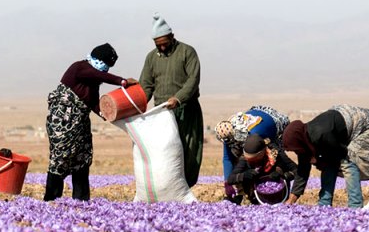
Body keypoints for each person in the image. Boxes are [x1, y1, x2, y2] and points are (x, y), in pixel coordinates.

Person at [44, 43, 138, 201]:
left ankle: (81, 201)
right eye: (105, 64)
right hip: (63, 122)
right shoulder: (80, 68)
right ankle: (51, 201)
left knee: (82, 160)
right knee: (61, 158)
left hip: (80, 123)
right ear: (96, 59)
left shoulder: (93, 80)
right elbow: (100, 76)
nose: (105, 69)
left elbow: (93, 102)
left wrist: (106, 114)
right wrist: (122, 82)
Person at [282, 105, 369, 208]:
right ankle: (324, 204)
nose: (296, 151)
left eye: (295, 148)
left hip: (365, 124)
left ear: (299, 141)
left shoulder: (321, 135)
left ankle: (356, 203)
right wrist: (292, 199)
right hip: (340, 128)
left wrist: (319, 161)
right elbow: (303, 171)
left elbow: (344, 159)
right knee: (328, 163)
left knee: (353, 162)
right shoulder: (305, 142)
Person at [138, 13, 203, 187]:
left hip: (186, 110)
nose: (162, 48)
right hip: (162, 113)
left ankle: (185, 186)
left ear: (172, 37)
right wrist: (138, 103)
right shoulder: (151, 57)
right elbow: (146, 85)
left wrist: (179, 98)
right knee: (166, 151)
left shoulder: (187, 52)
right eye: (158, 45)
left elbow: (193, 80)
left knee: (188, 149)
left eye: (165, 44)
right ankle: (168, 186)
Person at [215, 105, 290, 201]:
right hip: (253, 131)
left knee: (273, 160)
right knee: (241, 158)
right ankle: (240, 194)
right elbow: (227, 158)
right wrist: (227, 183)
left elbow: (273, 154)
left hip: (271, 127)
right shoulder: (228, 133)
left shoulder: (256, 134)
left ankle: (280, 193)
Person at [226, 134, 305, 205]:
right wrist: (244, 175)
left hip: (279, 194)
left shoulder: (276, 154)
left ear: (262, 153)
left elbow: (297, 171)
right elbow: (231, 179)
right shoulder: (245, 159)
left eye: (254, 159)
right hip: (256, 195)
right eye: (249, 159)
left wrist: (283, 176)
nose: (251, 161)